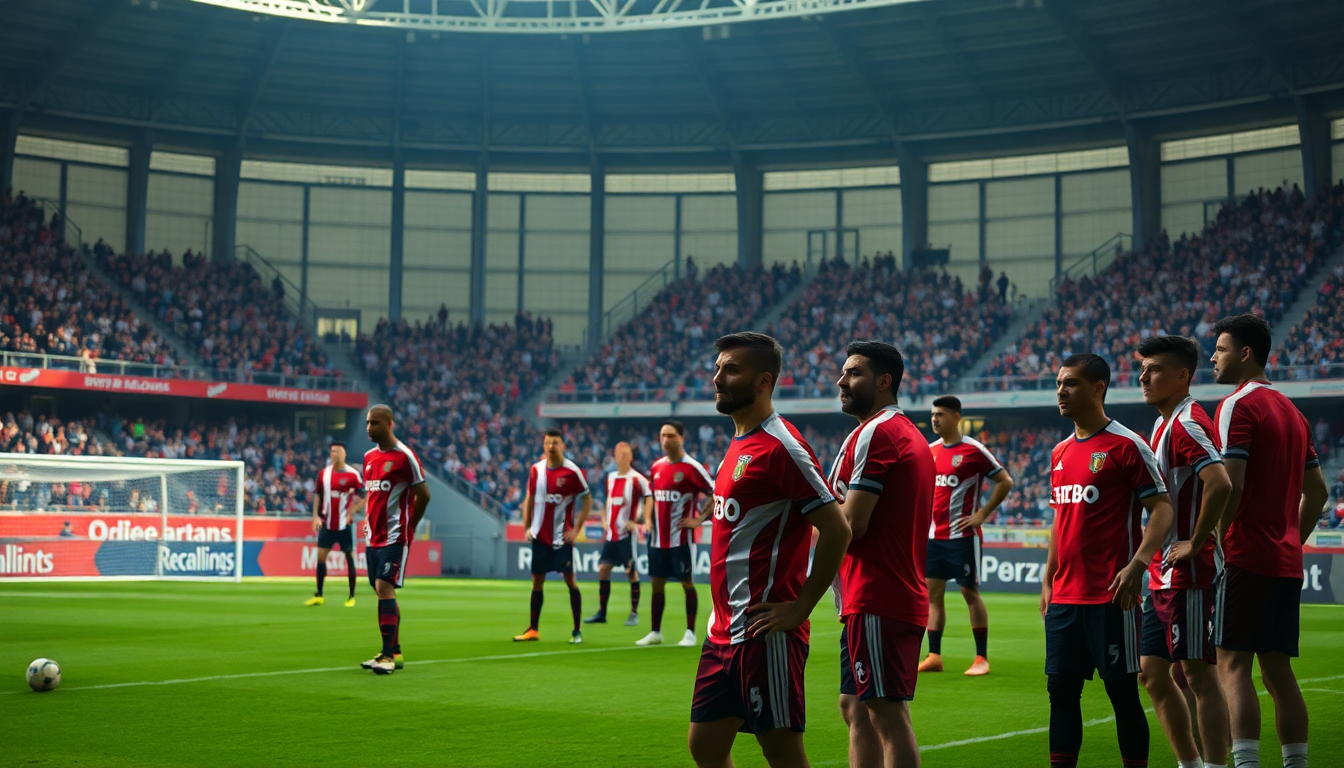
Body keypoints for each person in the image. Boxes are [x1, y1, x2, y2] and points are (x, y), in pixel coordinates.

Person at [687, 332, 851, 768]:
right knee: (704, 745)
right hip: (721, 630)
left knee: (780, 751)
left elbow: (837, 529)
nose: (717, 377)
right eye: (718, 367)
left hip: (764, 636)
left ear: (763, 381)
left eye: (730, 369)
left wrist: (800, 609)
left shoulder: (784, 447)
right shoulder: (738, 443)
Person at [1042, 353, 1174, 768]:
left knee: (1122, 692)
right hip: (1064, 599)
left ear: (1098, 387)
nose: (1062, 391)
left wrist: (1138, 564)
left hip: (1111, 598)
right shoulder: (1059, 452)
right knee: (1061, 692)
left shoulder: (1127, 445)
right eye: (1059, 383)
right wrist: (1047, 581)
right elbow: (1060, 520)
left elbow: (1163, 508)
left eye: (1072, 383)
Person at [1207, 314, 1327, 768]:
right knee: (1278, 670)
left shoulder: (1237, 405)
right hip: (1283, 563)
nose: (1213, 358)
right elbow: (1317, 493)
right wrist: (1292, 540)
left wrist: (1216, 543)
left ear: (1245, 353)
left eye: (1219, 349)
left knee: (1232, 664)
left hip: (1244, 555)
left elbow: (1230, 487)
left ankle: (1246, 764)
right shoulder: (1294, 414)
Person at [830, 340, 934, 768]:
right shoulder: (902, 433)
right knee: (856, 707)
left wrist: (806, 508)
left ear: (884, 381)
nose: (842, 380)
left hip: (879, 594)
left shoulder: (879, 432)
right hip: (872, 594)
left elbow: (853, 524)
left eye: (854, 372)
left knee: (887, 713)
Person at [1135, 335, 1232, 768]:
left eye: (1153, 369)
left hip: (1189, 574)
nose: (1143, 376)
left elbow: (1222, 482)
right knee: (1153, 674)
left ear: (1181, 376)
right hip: (1161, 573)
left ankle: (1213, 764)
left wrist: (1197, 540)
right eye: (1142, 368)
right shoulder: (1161, 424)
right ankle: (1190, 763)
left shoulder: (1188, 423)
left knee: (1197, 674)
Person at [919, 394, 1014, 677]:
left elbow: (1005, 480)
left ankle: (981, 657)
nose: (935, 419)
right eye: (933, 414)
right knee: (932, 595)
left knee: (969, 592)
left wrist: (982, 514)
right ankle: (934, 655)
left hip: (962, 537)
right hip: (933, 537)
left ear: (956, 417)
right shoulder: (929, 450)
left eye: (941, 415)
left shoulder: (974, 450)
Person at [358, 405, 430, 676]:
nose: (369, 427)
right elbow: (374, 496)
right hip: (372, 537)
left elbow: (424, 494)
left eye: (374, 423)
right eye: (367, 422)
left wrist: (411, 525)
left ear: (388, 424)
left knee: (384, 587)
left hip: (395, 535)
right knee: (380, 591)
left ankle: (387, 656)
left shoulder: (404, 456)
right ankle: (394, 651)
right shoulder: (367, 457)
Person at [638, 420, 715, 647]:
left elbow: (715, 493)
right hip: (658, 540)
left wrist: (699, 519)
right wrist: (649, 519)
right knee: (656, 583)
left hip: (681, 539)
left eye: (670, 436)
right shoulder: (657, 467)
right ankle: (655, 632)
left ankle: (690, 632)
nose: (665, 440)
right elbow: (652, 495)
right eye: (662, 435)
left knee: (686, 583)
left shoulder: (692, 467)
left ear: (681, 438)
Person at [515, 427, 592, 645]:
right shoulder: (536, 470)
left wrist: (576, 528)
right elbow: (529, 497)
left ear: (563, 446)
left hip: (561, 538)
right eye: (547, 442)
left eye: (555, 442)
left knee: (570, 581)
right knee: (537, 583)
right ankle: (533, 629)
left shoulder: (572, 472)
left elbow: (588, 499)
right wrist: (527, 525)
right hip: (540, 536)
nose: (551, 446)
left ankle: (576, 630)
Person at [585, 442, 650, 626]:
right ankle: (602, 613)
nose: (621, 456)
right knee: (603, 570)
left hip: (626, 536)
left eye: (625, 454)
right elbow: (609, 501)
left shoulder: (637, 479)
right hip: (611, 534)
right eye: (618, 453)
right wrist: (604, 519)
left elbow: (649, 497)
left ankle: (634, 613)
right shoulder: (611, 477)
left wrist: (638, 520)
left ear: (630, 457)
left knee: (631, 572)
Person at [304, 441, 365, 608]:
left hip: (346, 524)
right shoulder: (324, 474)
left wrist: (352, 511)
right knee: (321, 557)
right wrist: (315, 517)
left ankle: (351, 596)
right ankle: (319, 595)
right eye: (332, 452)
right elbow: (317, 495)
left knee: (349, 557)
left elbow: (365, 495)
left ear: (344, 454)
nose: (334, 454)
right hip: (327, 523)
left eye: (337, 451)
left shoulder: (353, 474)